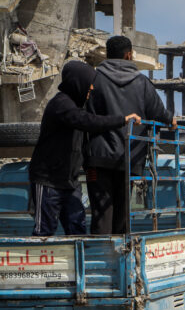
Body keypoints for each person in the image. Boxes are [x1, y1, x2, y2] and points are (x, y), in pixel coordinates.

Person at [28, 61, 141, 236]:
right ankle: (39, 263)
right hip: (48, 180)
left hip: (69, 181)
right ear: (77, 83)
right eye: (88, 86)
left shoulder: (77, 105)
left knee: (77, 228)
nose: (90, 90)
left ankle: (76, 264)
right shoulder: (61, 105)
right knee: (44, 231)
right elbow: (88, 122)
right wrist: (122, 120)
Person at [84, 35, 176, 235]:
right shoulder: (142, 83)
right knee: (122, 213)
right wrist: (171, 120)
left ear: (107, 55)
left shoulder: (93, 79)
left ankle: (100, 259)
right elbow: (158, 112)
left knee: (101, 213)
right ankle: (119, 261)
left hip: (98, 158)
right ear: (129, 54)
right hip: (130, 157)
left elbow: (82, 114)